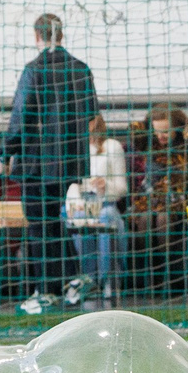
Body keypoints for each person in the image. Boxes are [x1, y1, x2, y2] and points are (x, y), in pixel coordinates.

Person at [0, 13, 97, 315]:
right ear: (61, 34)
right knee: (52, 221)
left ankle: (46, 291)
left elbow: (21, 116)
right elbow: (91, 115)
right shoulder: (81, 69)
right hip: (68, 162)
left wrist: (5, 153)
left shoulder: (34, 69)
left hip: (37, 162)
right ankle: (71, 279)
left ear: (36, 36)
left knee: (40, 225)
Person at [130, 102, 188, 295]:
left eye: (166, 131)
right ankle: (152, 280)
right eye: (157, 131)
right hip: (149, 199)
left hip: (176, 200)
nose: (161, 136)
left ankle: (174, 280)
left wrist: (185, 128)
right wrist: (149, 122)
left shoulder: (186, 146)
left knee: (163, 219)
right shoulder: (147, 143)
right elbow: (133, 129)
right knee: (145, 219)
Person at [63, 114, 129, 307]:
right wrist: (76, 199)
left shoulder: (112, 147)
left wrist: (105, 185)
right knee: (77, 217)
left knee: (107, 217)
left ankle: (108, 281)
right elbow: (70, 184)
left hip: (105, 204)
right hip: (80, 205)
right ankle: (88, 280)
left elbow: (122, 188)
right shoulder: (72, 149)